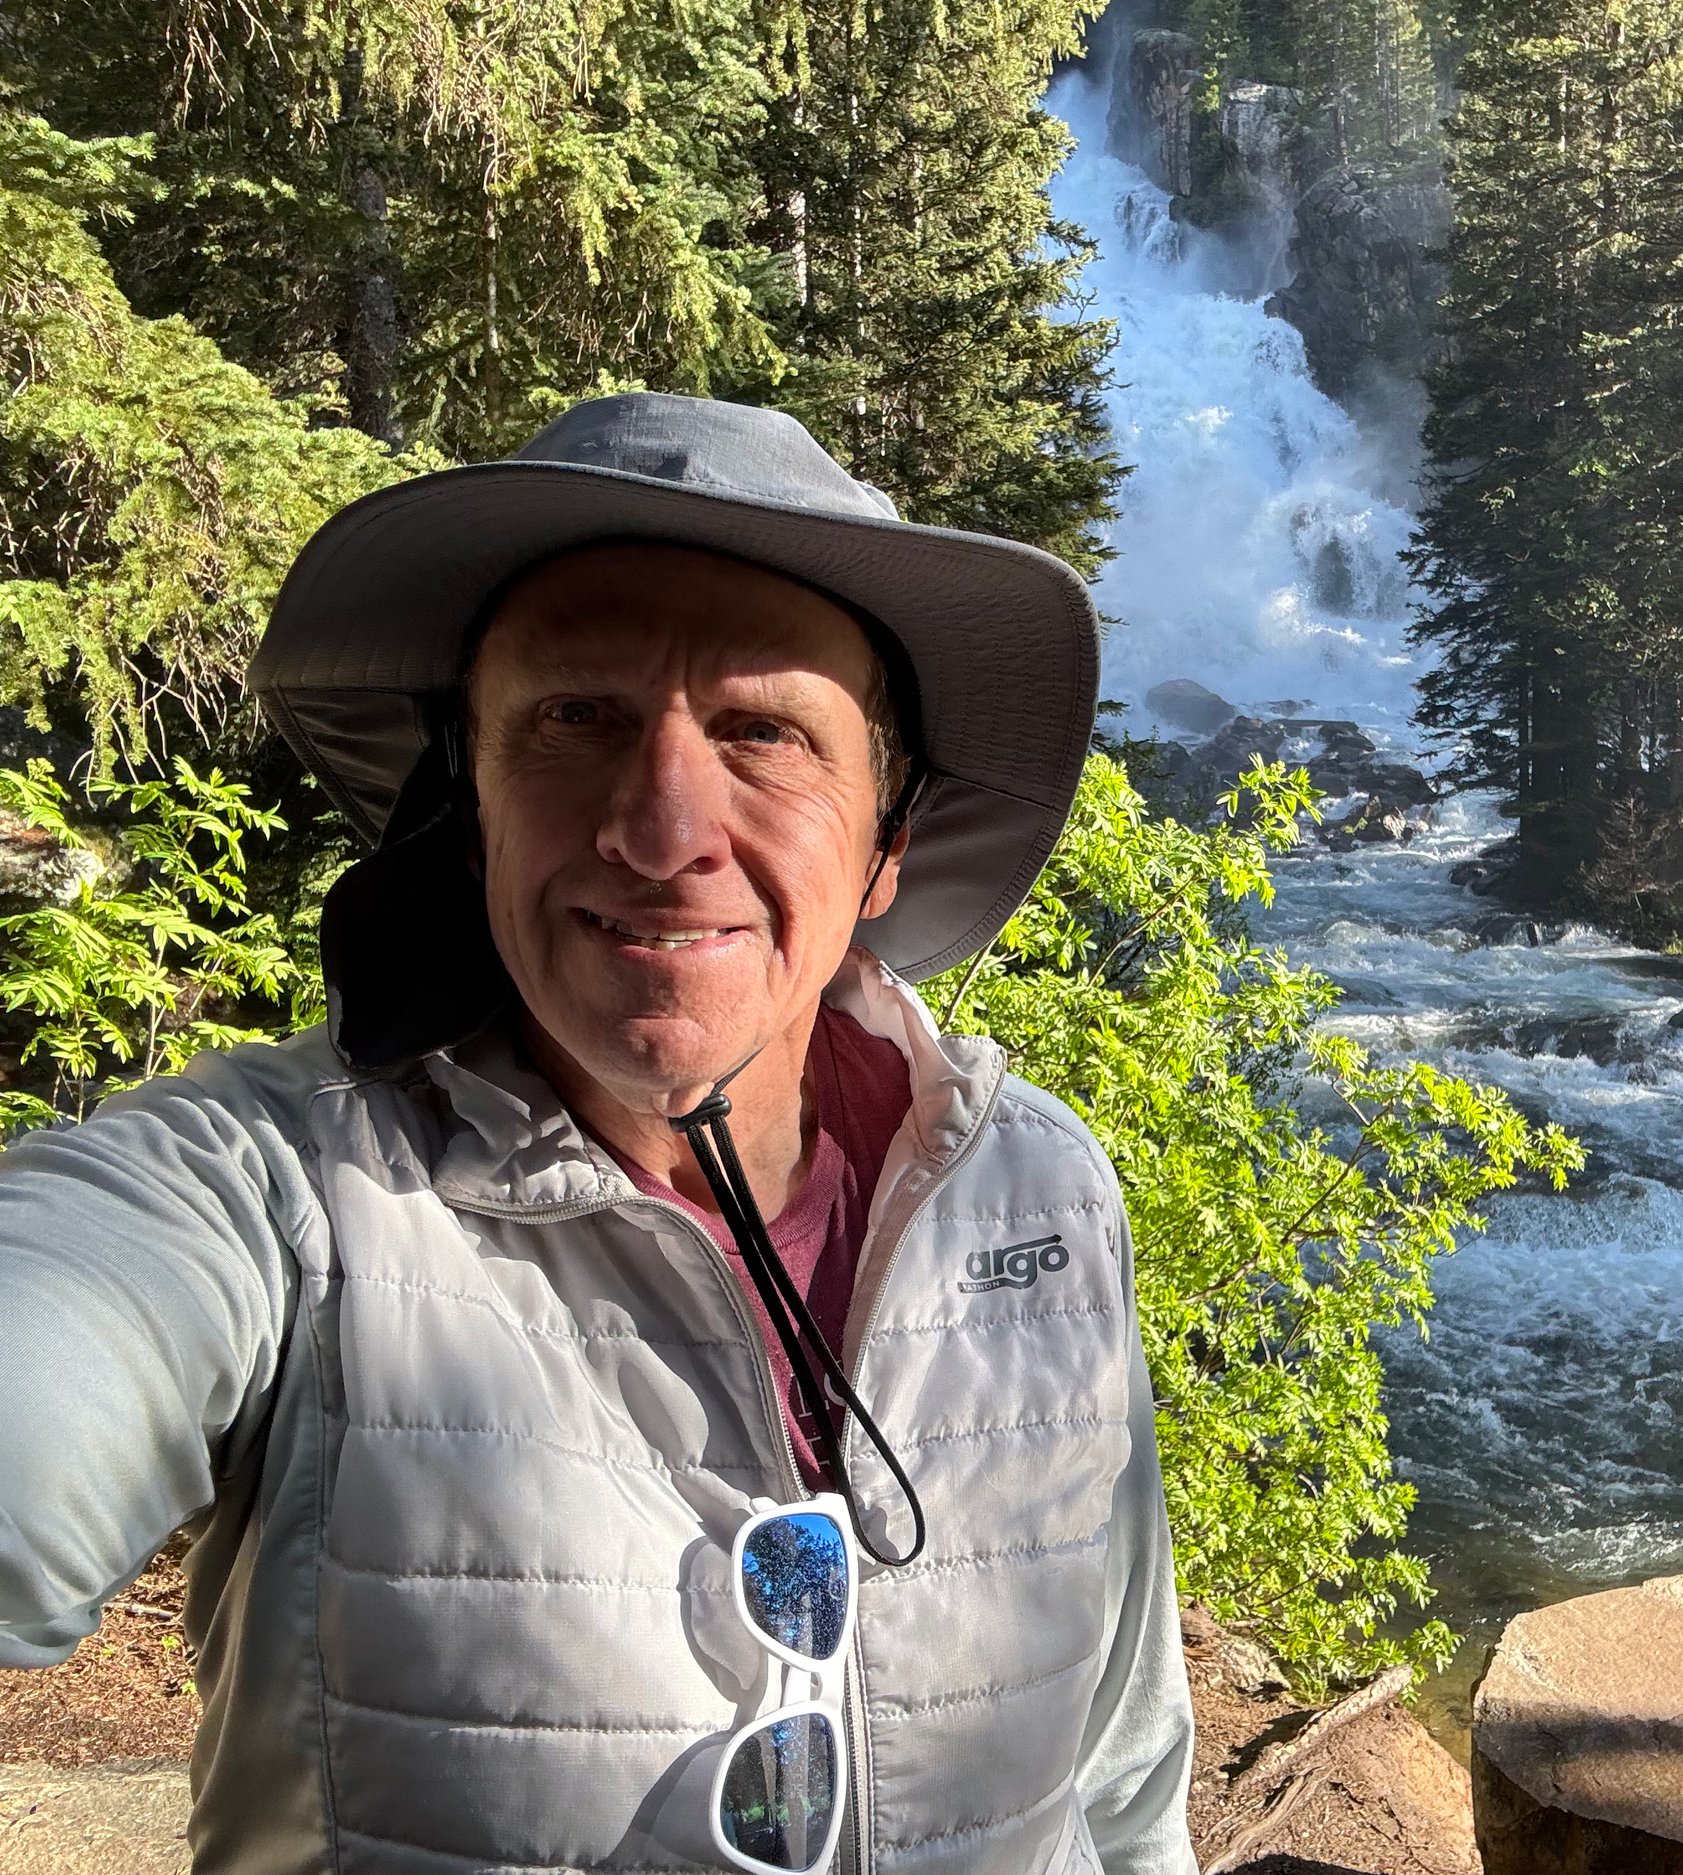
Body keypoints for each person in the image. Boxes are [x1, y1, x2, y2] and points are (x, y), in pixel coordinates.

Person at [0, 393, 1196, 1875]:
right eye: (576, 720)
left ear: (888, 841)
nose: (660, 824)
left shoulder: (1036, 1191)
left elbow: (1126, 1789)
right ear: (469, 803)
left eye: (764, 732)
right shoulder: (287, 1195)